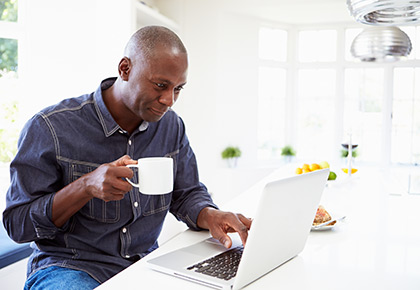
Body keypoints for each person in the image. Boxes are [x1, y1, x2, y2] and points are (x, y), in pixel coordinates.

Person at [2, 26, 252, 289]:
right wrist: (85, 186)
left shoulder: (171, 127)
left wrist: (210, 214)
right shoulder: (50, 127)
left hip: (145, 266)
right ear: (125, 69)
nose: (169, 100)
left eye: (178, 89)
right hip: (70, 269)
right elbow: (18, 225)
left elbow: (187, 193)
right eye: (160, 85)